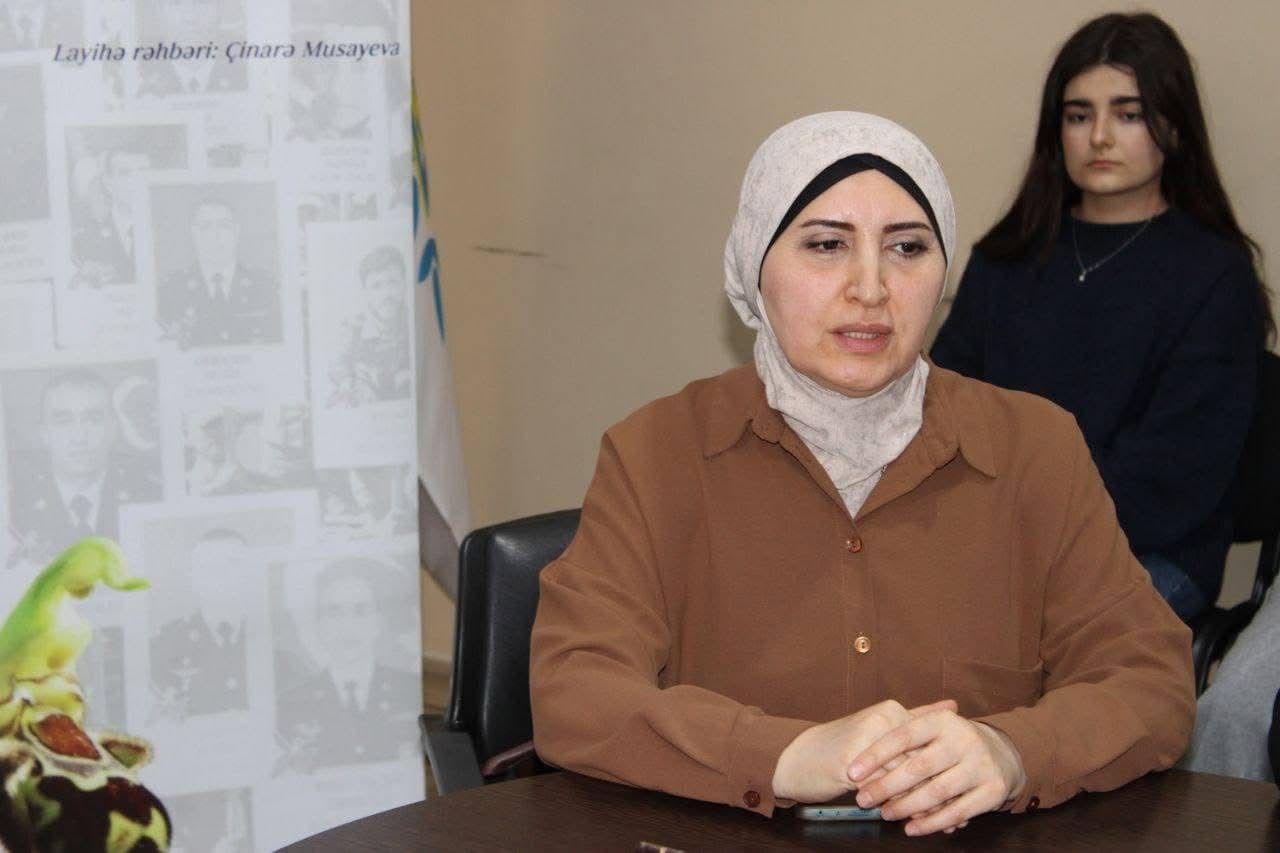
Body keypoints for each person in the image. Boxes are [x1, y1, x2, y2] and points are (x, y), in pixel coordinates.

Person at [528, 112, 1194, 836]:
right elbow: (575, 690)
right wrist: (782, 754)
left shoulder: (1036, 448)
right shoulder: (657, 452)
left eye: (907, 247)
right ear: (754, 266)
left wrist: (1013, 750)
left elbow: (1149, 678)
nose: (871, 288)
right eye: (826, 245)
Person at [930, 12, 1269, 621]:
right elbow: (940, 412)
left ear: (1175, 128)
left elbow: (1171, 483)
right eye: (1079, 116)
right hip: (991, 540)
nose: (1100, 138)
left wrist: (1018, 533)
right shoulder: (1006, 257)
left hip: (1146, 557)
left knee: (984, 639)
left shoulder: (1215, 276)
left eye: (1129, 115)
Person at [275, 558, 419, 771]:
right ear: (319, 624)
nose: (347, 626)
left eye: (360, 611)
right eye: (334, 612)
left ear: (378, 622)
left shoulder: (410, 687)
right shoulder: (290, 705)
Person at [8, 370, 160, 565]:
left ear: (114, 429)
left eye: (93, 419)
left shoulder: (149, 496)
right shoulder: (14, 506)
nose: (79, 438)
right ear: (44, 434)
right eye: (64, 421)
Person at [150, 528, 253, 719]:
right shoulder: (165, 644)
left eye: (233, 565)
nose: (222, 576)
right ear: (193, 579)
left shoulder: (273, 636)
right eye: (209, 567)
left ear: (251, 574)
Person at [156, 197, 281, 348]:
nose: (215, 235)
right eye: (205, 227)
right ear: (193, 233)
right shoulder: (171, 291)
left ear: (237, 231)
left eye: (224, 226)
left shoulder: (265, 286)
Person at [327, 246, 411, 407]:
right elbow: (337, 365)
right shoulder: (354, 328)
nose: (387, 294)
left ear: (404, 284)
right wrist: (349, 383)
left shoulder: (414, 324)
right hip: (367, 407)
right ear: (365, 292)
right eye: (376, 286)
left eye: (393, 282)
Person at [71, 147, 149, 286]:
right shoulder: (85, 241)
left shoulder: (169, 233)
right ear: (108, 183)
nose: (136, 181)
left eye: (143, 172)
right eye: (125, 173)